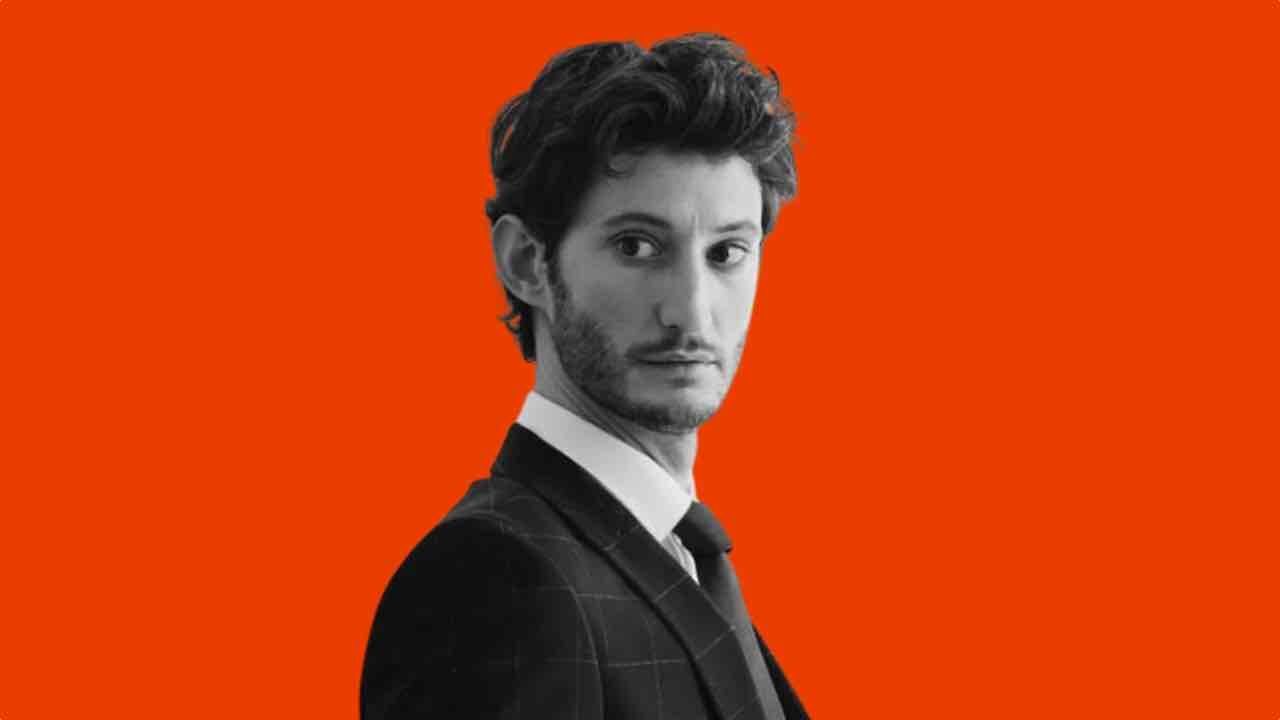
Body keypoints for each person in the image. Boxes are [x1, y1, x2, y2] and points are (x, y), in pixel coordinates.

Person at [360, 33, 806, 719]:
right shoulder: (496, 580)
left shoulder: (679, 555)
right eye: (637, 246)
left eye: (726, 253)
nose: (691, 311)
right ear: (526, 263)